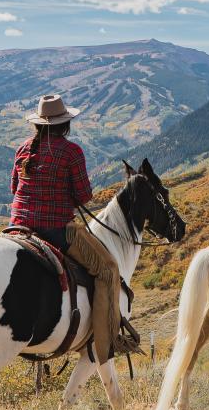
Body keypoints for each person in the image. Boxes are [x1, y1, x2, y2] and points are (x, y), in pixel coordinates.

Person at [9, 94, 139, 359]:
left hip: (18, 225)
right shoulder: (71, 152)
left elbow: (14, 188)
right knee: (108, 270)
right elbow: (83, 196)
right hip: (55, 228)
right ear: (65, 124)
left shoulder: (23, 148)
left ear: (38, 124)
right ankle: (106, 343)